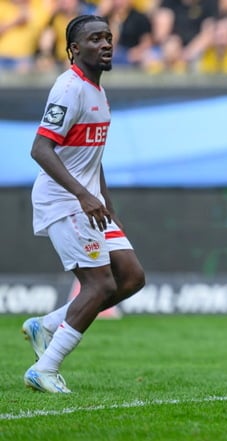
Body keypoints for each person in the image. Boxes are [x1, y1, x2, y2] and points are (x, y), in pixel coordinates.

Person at [21, 14, 146, 393]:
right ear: (74, 49)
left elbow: (92, 155)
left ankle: (46, 325)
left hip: (89, 203)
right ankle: (45, 367)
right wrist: (83, 194)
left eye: (108, 37)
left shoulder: (97, 89)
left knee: (131, 277)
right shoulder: (69, 89)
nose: (105, 44)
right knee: (99, 286)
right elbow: (40, 149)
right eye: (94, 39)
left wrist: (105, 202)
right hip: (64, 200)